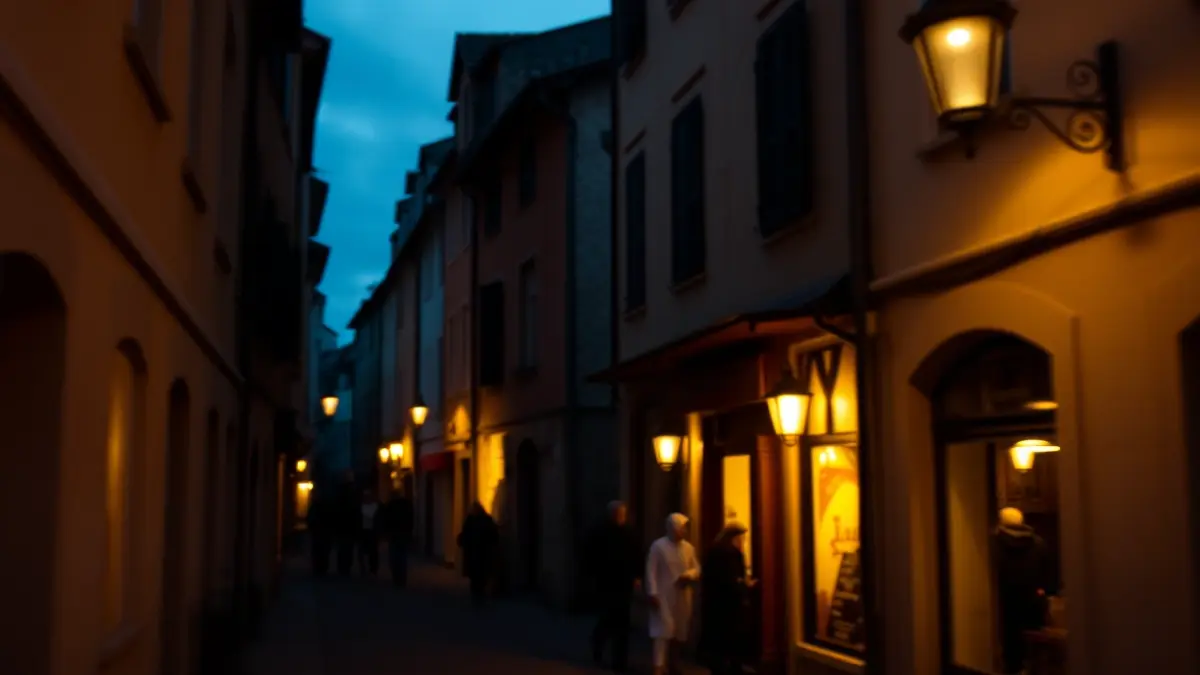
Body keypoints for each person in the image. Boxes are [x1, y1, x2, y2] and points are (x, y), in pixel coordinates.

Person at [996, 506, 1053, 675]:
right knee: (1033, 653)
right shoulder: (1039, 543)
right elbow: (1048, 576)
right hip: (1032, 604)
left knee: (1009, 655)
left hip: (1004, 604)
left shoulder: (993, 544)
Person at [587, 500, 642, 672]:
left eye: (623, 514)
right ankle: (598, 648)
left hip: (624, 584)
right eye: (618, 514)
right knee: (607, 620)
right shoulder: (601, 532)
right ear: (611, 515)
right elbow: (592, 557)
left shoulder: (629, 533)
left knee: (623, 624)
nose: (621, 517)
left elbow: (637, 555)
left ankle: (620, 662)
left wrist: (637, 576)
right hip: (606, 584)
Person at [646, 513, 701, 675]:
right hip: (663, 595)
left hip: (682, 596)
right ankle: (658, 665)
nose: (684, 531)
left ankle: (674, 663)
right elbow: (651, 571)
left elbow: (696, 568)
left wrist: (689, 575)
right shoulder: (658, 547)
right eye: (682, 528)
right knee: (662, 631)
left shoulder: (688, 548)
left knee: (679, 630)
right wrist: (652, 592)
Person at [700, 522, 756, 675]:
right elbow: (733, 579)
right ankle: (733, 667)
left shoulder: (713, 550)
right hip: (730, 606)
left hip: (714, 605)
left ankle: (718, 665)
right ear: (735, 538)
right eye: (742, 539)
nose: (743, 542)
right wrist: (745, 585)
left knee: (718, 641)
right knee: (732, 639)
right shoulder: (732, 554)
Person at [457, 502, 499, 607]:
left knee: (477, 577)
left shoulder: (472, 520)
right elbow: (494, 536)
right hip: (481, 554)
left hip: (477, 554)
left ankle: (477, 598)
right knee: (479, 577)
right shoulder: (484, 520)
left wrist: (462, 541)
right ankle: (479, 597)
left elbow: (465, 535)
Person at [380, 486, 415, 587]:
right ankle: (402, 578)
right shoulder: (407, 504)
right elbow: (411, 519)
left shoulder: (390, 505)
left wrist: (385, 532)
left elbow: (386, 520)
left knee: (394, 556)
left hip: (394, 534)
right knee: (402, 556)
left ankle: (396, 577)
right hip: (404, 534)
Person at [333, 471, 359, 577]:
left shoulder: (339, 493)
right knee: (348, 547)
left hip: (342, 525)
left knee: (343, 547)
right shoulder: (352, 493)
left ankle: (342, 566)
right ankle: (346, 566)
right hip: (349, 526)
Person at [357, 489, 381, 576]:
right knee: (362, 551)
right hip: (363, 531)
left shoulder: (375, 506)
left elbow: (379, 519)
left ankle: (373, 568)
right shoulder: (361, 507)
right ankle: (364, 568)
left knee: (373, 551)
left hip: (372, 532)